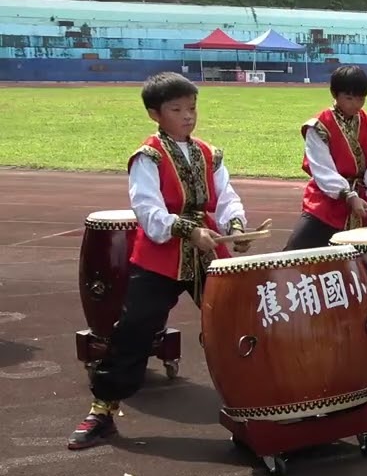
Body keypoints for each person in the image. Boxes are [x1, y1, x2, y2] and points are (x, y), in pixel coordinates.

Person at [68, 72, 251, 449]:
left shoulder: (207, 152)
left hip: (206, 251)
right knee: (134, 330)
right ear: (155, 113)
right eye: (177, 109)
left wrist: (236, 224)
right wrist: (189, 230)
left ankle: (262, 400)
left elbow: (226, 195)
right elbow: (149, 213)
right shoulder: (147, 157)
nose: (188, 116)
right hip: (162, 256)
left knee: (241, 321)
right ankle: (102, 410)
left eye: (192, 108)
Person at [283, 65, 367, 250]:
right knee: (294, 252)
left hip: (364, 200)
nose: (355, 104)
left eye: (360, 99)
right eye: (349, 98)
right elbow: (322, 168)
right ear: (335, 95)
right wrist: (348, 195)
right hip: (327, 203)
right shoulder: (319, 126)